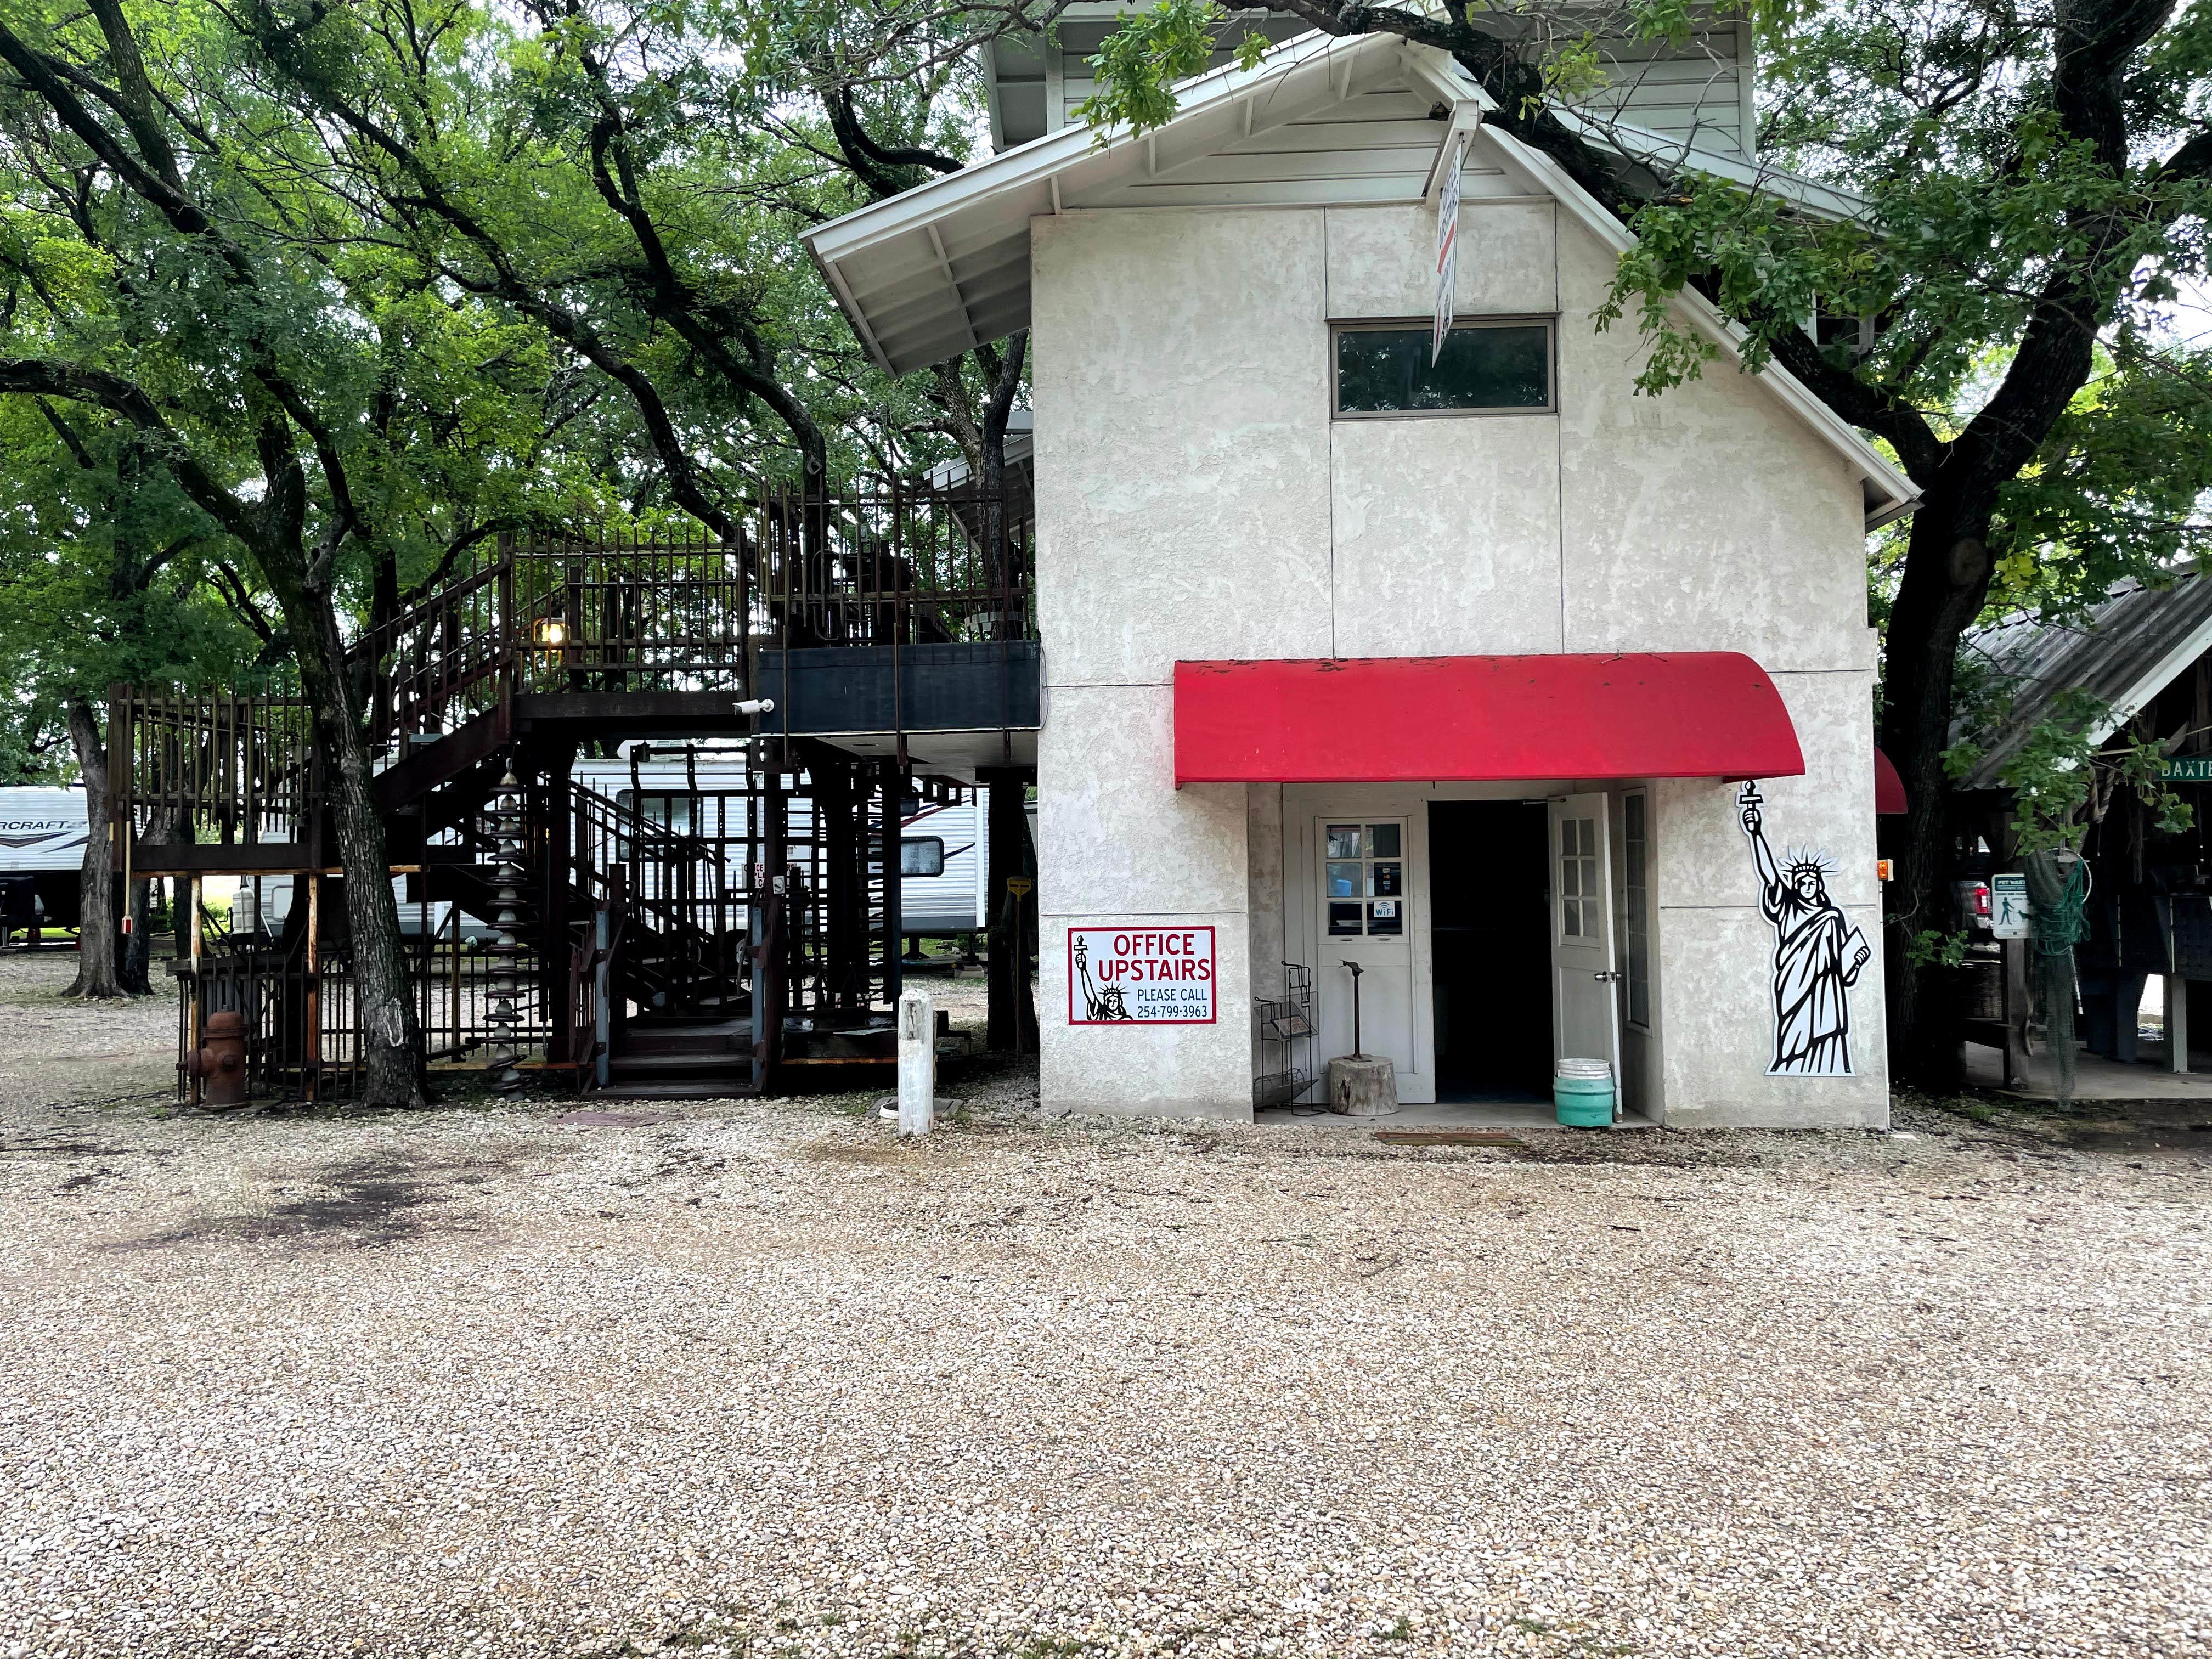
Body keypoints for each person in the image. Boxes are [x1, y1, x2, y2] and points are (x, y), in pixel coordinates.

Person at [1741, 784, 1871, 1075]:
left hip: (1826, 987)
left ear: (1819, 885)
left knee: (1826, 1032)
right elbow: (1768, 874)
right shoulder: (1787, 907)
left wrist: (1857, 957)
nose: (1807, 886)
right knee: (1794, 1031)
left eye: (1812, 882)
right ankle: (1790, 1062)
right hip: (1794, 983)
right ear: (1796, 886)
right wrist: (1756, 833)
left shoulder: (1832, 916)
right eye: (1802, 883)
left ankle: (1825, 1065)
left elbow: (1841, 960)